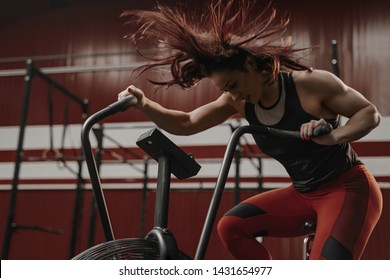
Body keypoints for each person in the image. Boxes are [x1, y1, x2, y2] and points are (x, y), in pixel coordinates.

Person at [118, 0, 382, 259]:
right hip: (304, 193)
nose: (233, 94)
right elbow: (186, 124)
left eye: (233, 84)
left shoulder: (310, 84)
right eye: (226, 90)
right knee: (231, 227)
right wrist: (144, 103)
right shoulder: (239, 101)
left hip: (348, 189)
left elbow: (368, 113)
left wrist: (334, 136)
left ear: (252, 65)